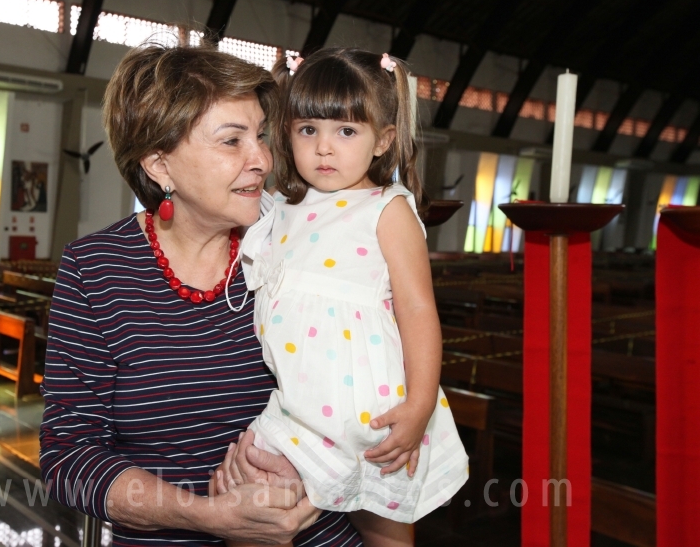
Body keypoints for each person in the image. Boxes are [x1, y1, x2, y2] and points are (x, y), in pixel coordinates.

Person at [39, 44, 363, 546]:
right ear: (159, 165)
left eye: (260, 136)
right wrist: (209, 516)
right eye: (231, 141)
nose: (261, 160)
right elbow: (69, 457)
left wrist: (316, 479)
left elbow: (370, 388)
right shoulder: (96, 270)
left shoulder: (300, 244)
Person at [219, 48, 469, 546]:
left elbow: (418, 310)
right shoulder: (281, 211)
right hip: (296, 409)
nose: (325, 149)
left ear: (384, 141)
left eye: (346, 131)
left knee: (387, 533)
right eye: (308, 130)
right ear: (287, 133)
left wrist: (419, 405)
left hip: (372, 414)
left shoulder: (386, 209)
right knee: (248, 511)